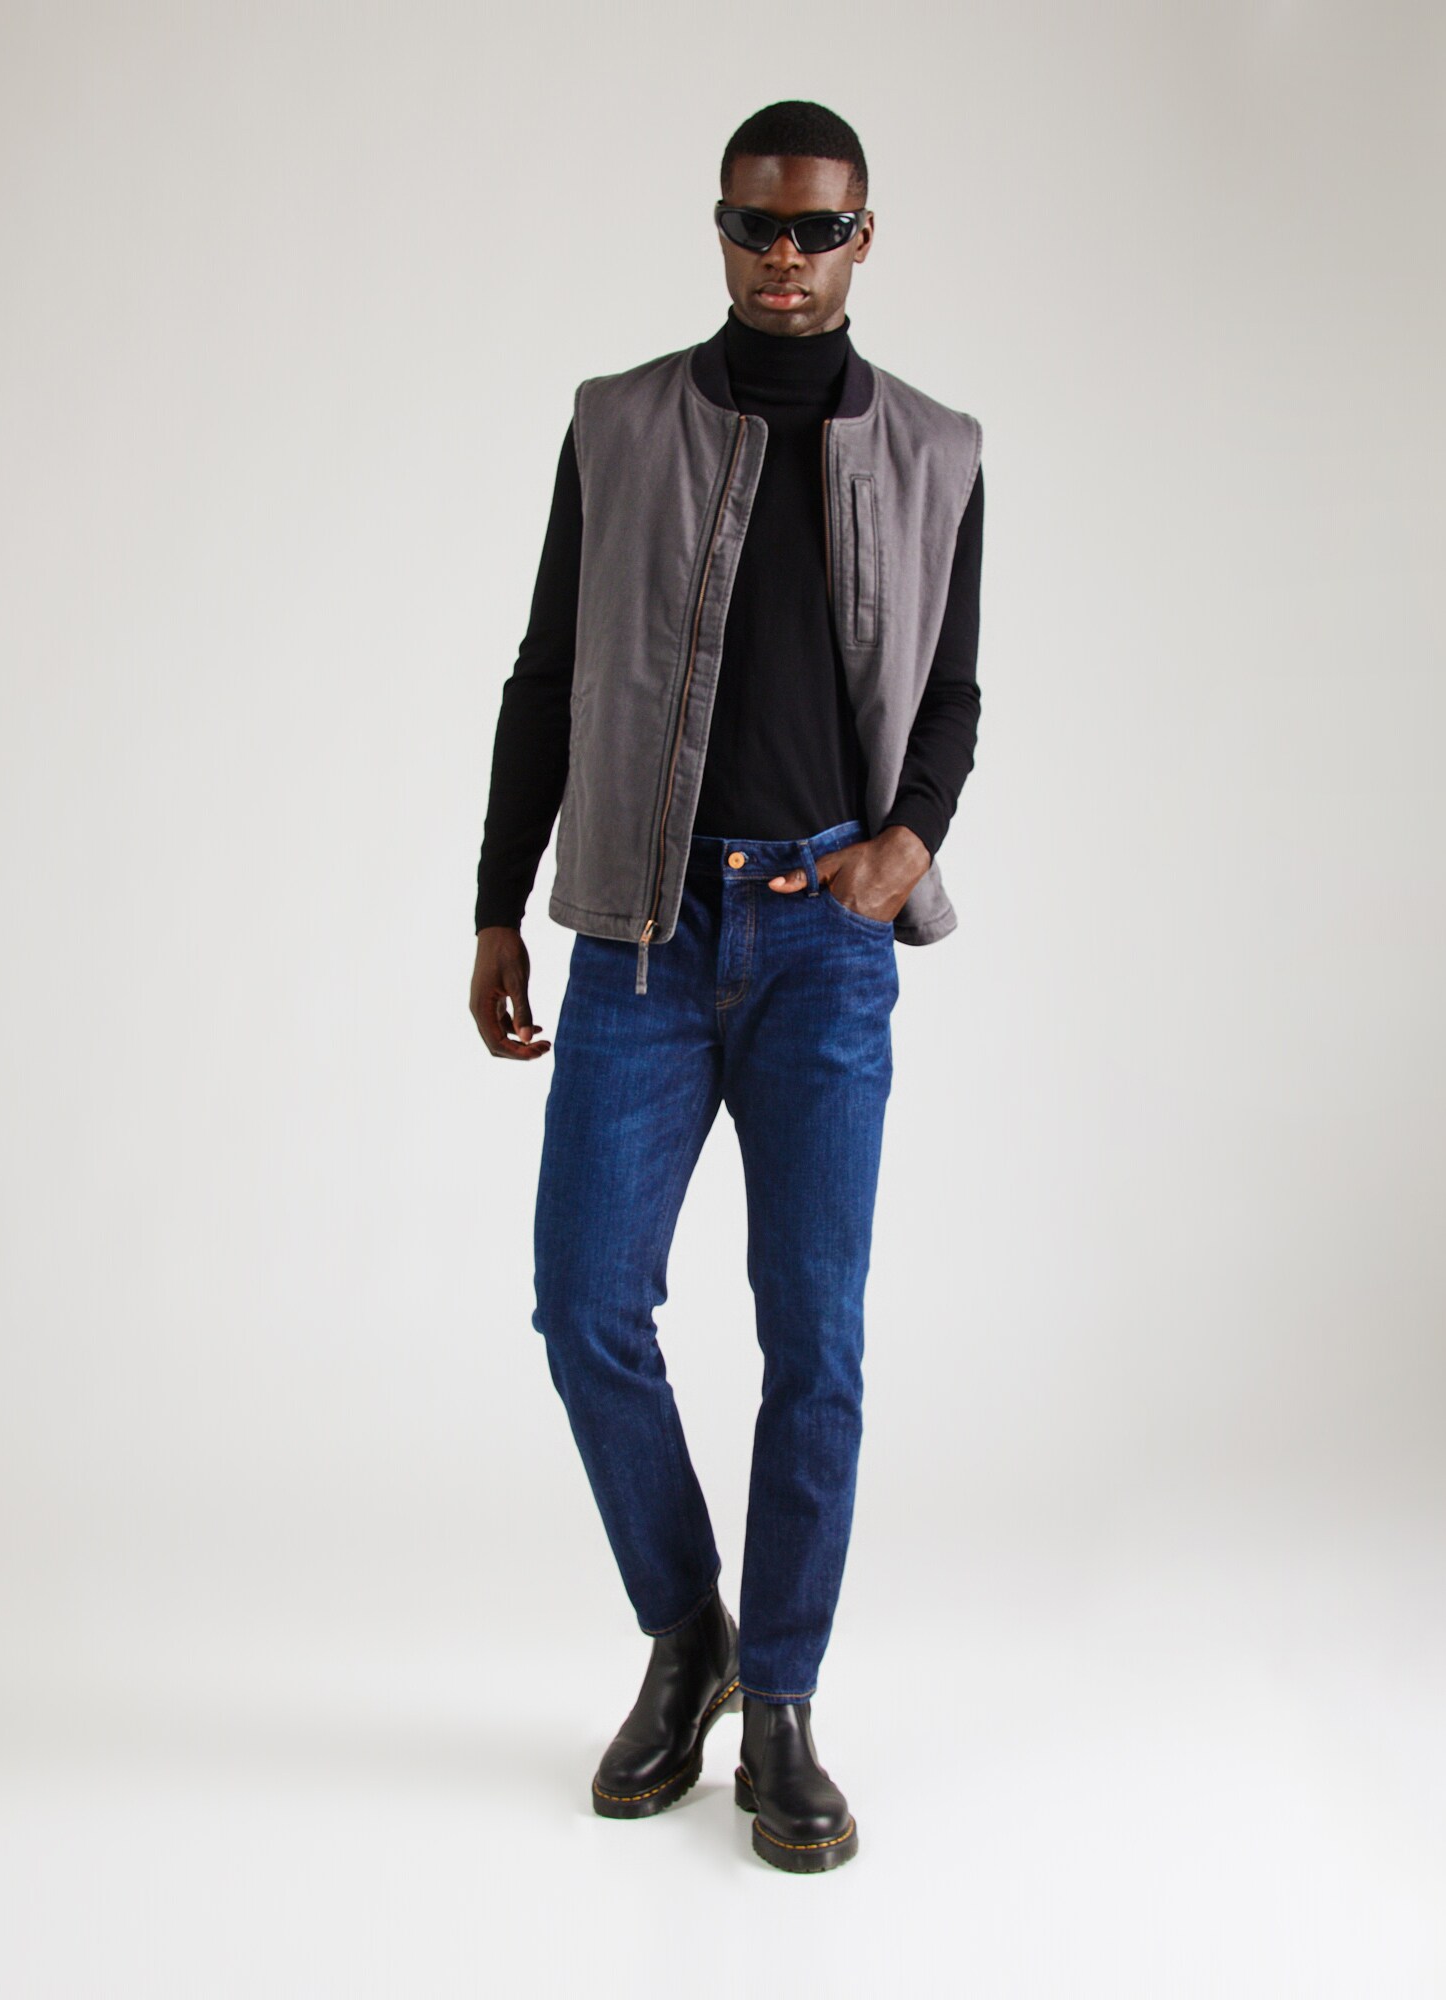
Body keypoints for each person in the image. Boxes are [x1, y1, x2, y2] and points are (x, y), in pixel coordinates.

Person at [470, 98, 984, 1873]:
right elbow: (547, 668)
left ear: (862, 237)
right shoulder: (618, 423)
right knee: (585, 1305)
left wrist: (905, 845)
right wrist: (495, 904)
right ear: (719, 226)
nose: (784, 256)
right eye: (757, 224)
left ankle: (781, 1704)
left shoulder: (936, 449)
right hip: (641, 929)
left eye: (816, 229)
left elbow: (953, 694)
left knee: (814, 1342)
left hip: (825, 946)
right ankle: (688, 1632)